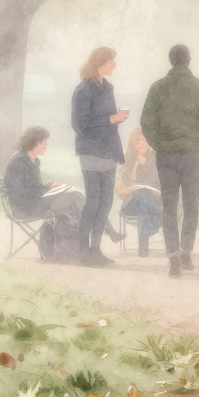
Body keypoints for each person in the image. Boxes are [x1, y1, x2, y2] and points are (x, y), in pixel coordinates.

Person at [140, 44, 199, 277]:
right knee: (191, 205)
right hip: (194, 154)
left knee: (169, 206)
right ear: (189, 60)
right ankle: (186, 253)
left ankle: (173, 256)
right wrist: (198, 138)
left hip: (167, 154)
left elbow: (146, 122)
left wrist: (158, 143)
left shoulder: (157, 88)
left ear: (170, 61)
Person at [71, 47, 127, 267]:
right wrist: (111, 119)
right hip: (91, 152)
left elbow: (108, 122)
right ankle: (84, 251)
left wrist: (115, 119)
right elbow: (79, 125)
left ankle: (96, 249)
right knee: (93, 203)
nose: (114, 65)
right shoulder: (84, 89)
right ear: (100, 63)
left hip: (108, 152)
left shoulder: (107, 87)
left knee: (106, 203)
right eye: (111, 61)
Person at [4, 126, 85, 221]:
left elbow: (36, 188)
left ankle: (80, 227)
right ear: (36, 143)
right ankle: (88, 227)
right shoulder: (18, 162)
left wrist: (50, 186)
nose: (46, 146)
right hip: (25, 209)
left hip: (34, 204)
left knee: (74, 196)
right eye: (44, 142)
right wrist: (48, 189)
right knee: (75, 197)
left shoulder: (33, 160)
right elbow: (20, 195)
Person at [116, 128, 162, 257]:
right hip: (131, 204)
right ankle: (160, 216)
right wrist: (137, 164)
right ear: (133, 145)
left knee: (144, 210)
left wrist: (146, 165)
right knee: (141, 194)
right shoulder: (126, 161)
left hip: (149, 203)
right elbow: (128, 184)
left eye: (145, 141)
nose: (142, 144)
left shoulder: (155, 160)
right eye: (138, 142)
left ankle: (142, 245)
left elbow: (158, 184)